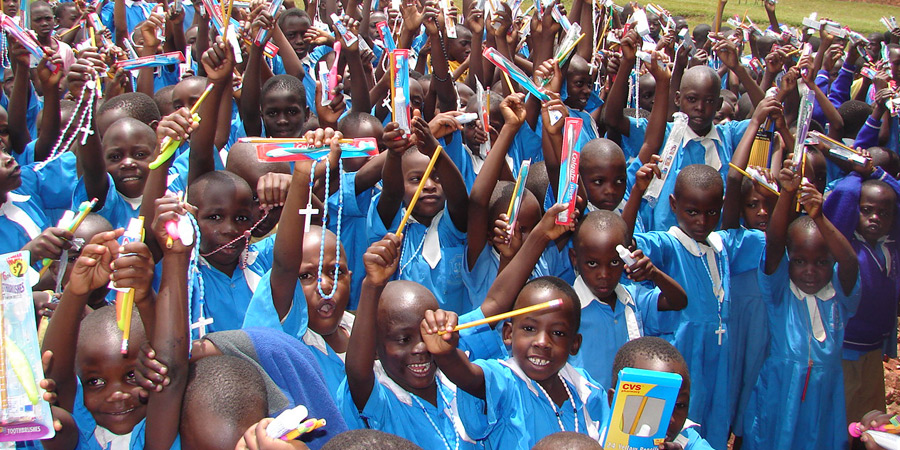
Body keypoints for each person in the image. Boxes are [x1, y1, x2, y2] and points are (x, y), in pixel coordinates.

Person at [632, 164, 765, 449]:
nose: (702, 221)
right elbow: (623, 243)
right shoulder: (667, 244)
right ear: (673, 205)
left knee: (714, 424)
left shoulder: (722, 245)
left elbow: (770, 243)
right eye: (692, 212)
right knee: (672, 424)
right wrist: (636, 193)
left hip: (718, 358)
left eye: (712, 212)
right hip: (682, 355)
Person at [744, 160, 861, 450]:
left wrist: (819, 217)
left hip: (824, 397)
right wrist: (787, 193)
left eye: (821, 262)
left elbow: (849, 262)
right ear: (789, 261)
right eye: (799, 261)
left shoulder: (838, 296)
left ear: (831, 263)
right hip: (780, 390)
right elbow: (774, 244)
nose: (810, 271)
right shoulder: (781, 291)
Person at [823, 160, 900, 433]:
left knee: (870, 423)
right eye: (866, 210)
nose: (875, 217)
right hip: (845, 349)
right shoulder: (847, 243)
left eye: (884, 213)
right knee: (842, 422)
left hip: (873, 350)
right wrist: (857, 172)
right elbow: (844, 196)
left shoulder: (891, 245)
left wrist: (877, 173)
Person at [569, 210, 687, 387]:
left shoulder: (633, 298)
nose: (604, 274)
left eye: (614, 262)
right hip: (589, 403)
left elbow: (678, 301)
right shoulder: (568, 308)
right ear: (574, 259)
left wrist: (654, 274)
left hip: (631, 400)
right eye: (592, 263)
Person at [610, 337, 715, 450]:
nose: (670, 419)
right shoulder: (597, 436)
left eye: (679, 405)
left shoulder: (689, 441)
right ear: (613, 401)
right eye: (651, 405)